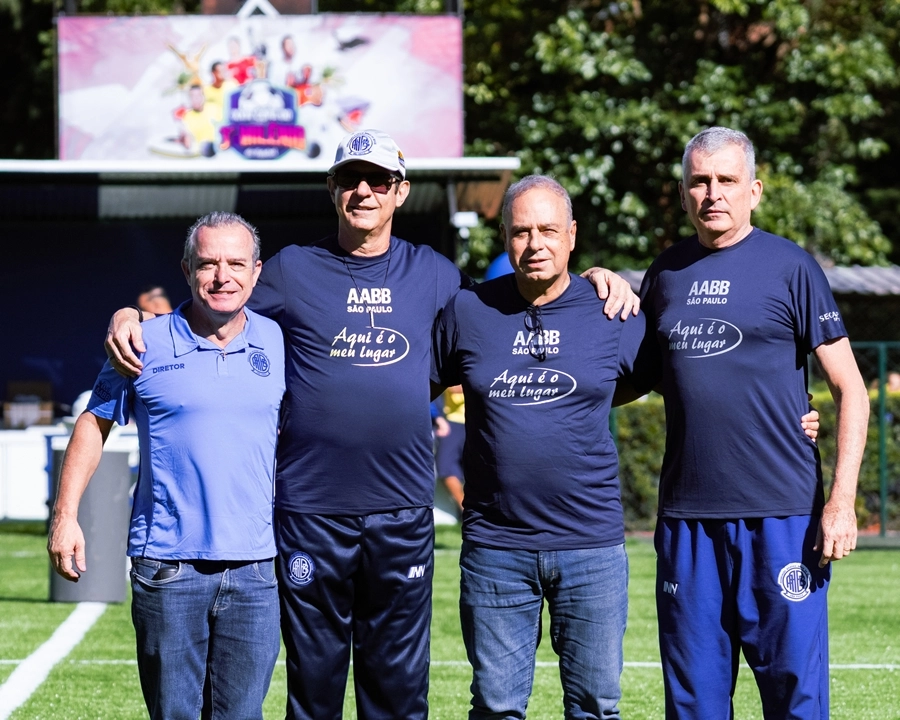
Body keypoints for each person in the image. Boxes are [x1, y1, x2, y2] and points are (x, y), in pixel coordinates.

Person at [103, 130, 640, 720]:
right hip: (309, 510)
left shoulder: (437, 276)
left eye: (379, 180)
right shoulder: (289, 270)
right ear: (332, 190)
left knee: (396, 689)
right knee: (314, 687)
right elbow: (216, 299)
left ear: (400, 192)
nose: (365, 190)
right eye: (351, 179)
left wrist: (596, 277)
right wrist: (132, 314)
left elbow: (519, 301)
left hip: (401, 510)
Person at [636, 127, 869, 719]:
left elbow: (851, 390)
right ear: (685, 192)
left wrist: (840, 504)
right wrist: (598, 281)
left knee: (795, 697)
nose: (712, 193)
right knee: (694, 704)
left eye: (726, 181)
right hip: (688, 521)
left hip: (783, 519)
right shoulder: (663, 276)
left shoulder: (792, 267)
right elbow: (633, 376)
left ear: (754, 190)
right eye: (699, 181)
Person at [433, 175, 658, 719]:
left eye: (549, 230)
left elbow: (688, 383)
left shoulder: (614, 313)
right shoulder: (468, 311)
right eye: (521, 231)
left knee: (596, 706)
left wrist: (794, 412)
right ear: (505, 236)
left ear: (573, 235)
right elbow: (406, 387)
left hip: (591, 546)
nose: (535, 244)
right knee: (496, 707)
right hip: (496, 548)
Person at [48, 212, 285, 720]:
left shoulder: (279, 342)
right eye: (208, 264)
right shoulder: (142, 343)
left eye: (236, 263)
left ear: (257, 271)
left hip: (257, 571)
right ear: (186, 270)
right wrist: (65, 516)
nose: (223, 276)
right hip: (168, 569)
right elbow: (93, 422)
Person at [434, 384, 466, 513]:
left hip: (480, 420)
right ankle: (465, 509)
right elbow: (453, 388)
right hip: (452, 422)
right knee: (445, 467)